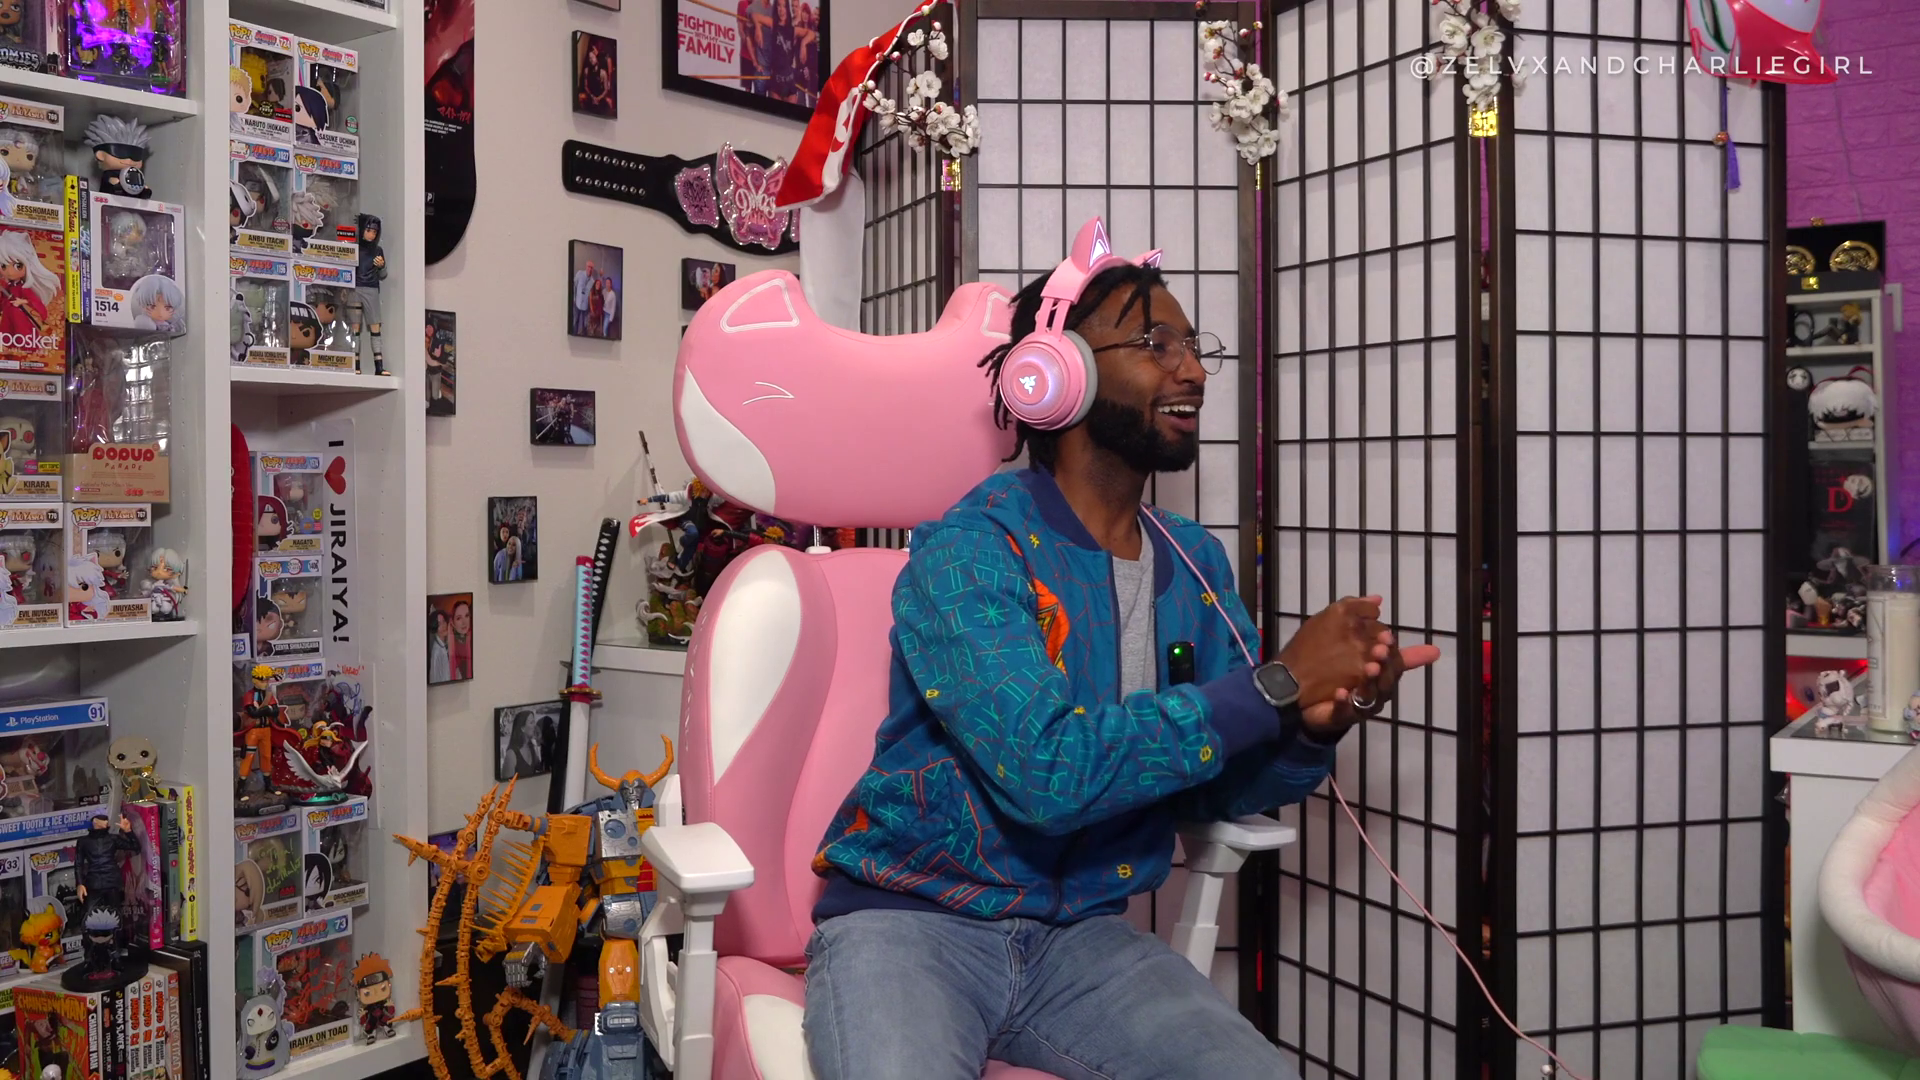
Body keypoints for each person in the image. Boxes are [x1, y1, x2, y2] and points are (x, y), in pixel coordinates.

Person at [801, 235, 1439, 1080]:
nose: (1194, 372)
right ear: (1055, 373)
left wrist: (1313, 725)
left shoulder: (1195, 565)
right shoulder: (969, 552)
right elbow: (1046, 774)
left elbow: (1214, 782)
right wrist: (1276, 684)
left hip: (1084, 945)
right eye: (1155, 345)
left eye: (1193, 347)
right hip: (911, 927)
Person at [572, 259, 595, 335]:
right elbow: (574, 286)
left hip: (585, 306)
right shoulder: (579, 274)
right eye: (589, 266)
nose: (590, 269)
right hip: (577, 303)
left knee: (584, 324)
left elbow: (592, 293)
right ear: (586, 267)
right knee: (575, 321)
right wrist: (574, 298)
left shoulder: (592, 281)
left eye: (591, 267)